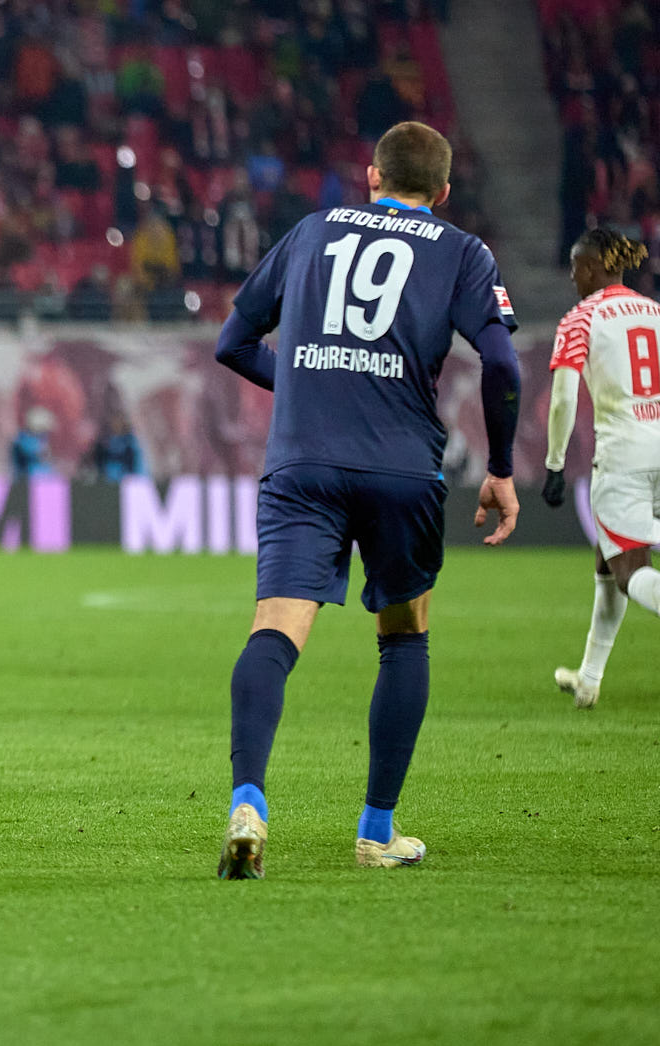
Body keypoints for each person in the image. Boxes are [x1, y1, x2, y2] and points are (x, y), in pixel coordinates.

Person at [212, 120, 521, 879]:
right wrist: (504, 467)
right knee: (405, 636)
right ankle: (376, 832)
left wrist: (316, 386)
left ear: (372, 176)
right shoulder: (463, 252)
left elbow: (232, 342)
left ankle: (247, 800)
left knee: (274, 634)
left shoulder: (313, 230)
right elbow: (504, 365)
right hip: (400, 470)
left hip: (303, 465)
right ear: (443, 193)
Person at [541, 229, 660, 707]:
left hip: (624, 454)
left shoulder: (579, 319)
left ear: (591, 267)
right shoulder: (654, 311)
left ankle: (590, 679)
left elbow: (564, 398)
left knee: (630, 571)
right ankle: (588, 680)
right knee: (607, 566)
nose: (572, 279)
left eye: (574, 269)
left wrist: (553, 464)